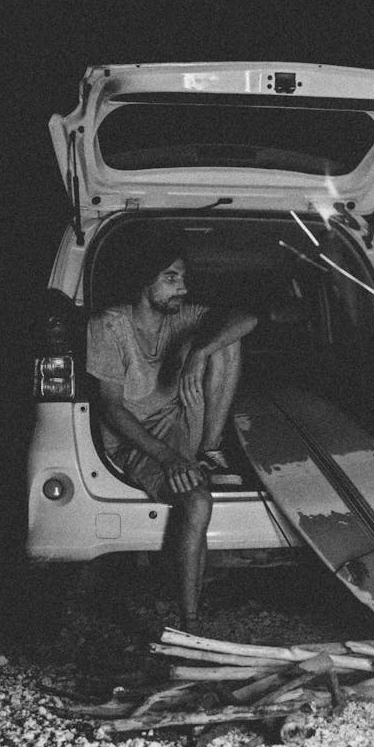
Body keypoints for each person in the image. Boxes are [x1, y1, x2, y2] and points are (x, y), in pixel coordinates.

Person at [86, 231, 257, 633]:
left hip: (182, 422)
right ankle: (190, 622)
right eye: (171, 277)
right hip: (135, 440)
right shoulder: (109, 326)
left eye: (182, 278)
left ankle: (211, 451)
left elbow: (247, 319)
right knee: (197, 502)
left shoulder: (181, 315)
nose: (183, 286)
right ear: (145, 282)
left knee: (226, 341)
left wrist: (200, 351)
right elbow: (112, 410)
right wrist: (169, 458)